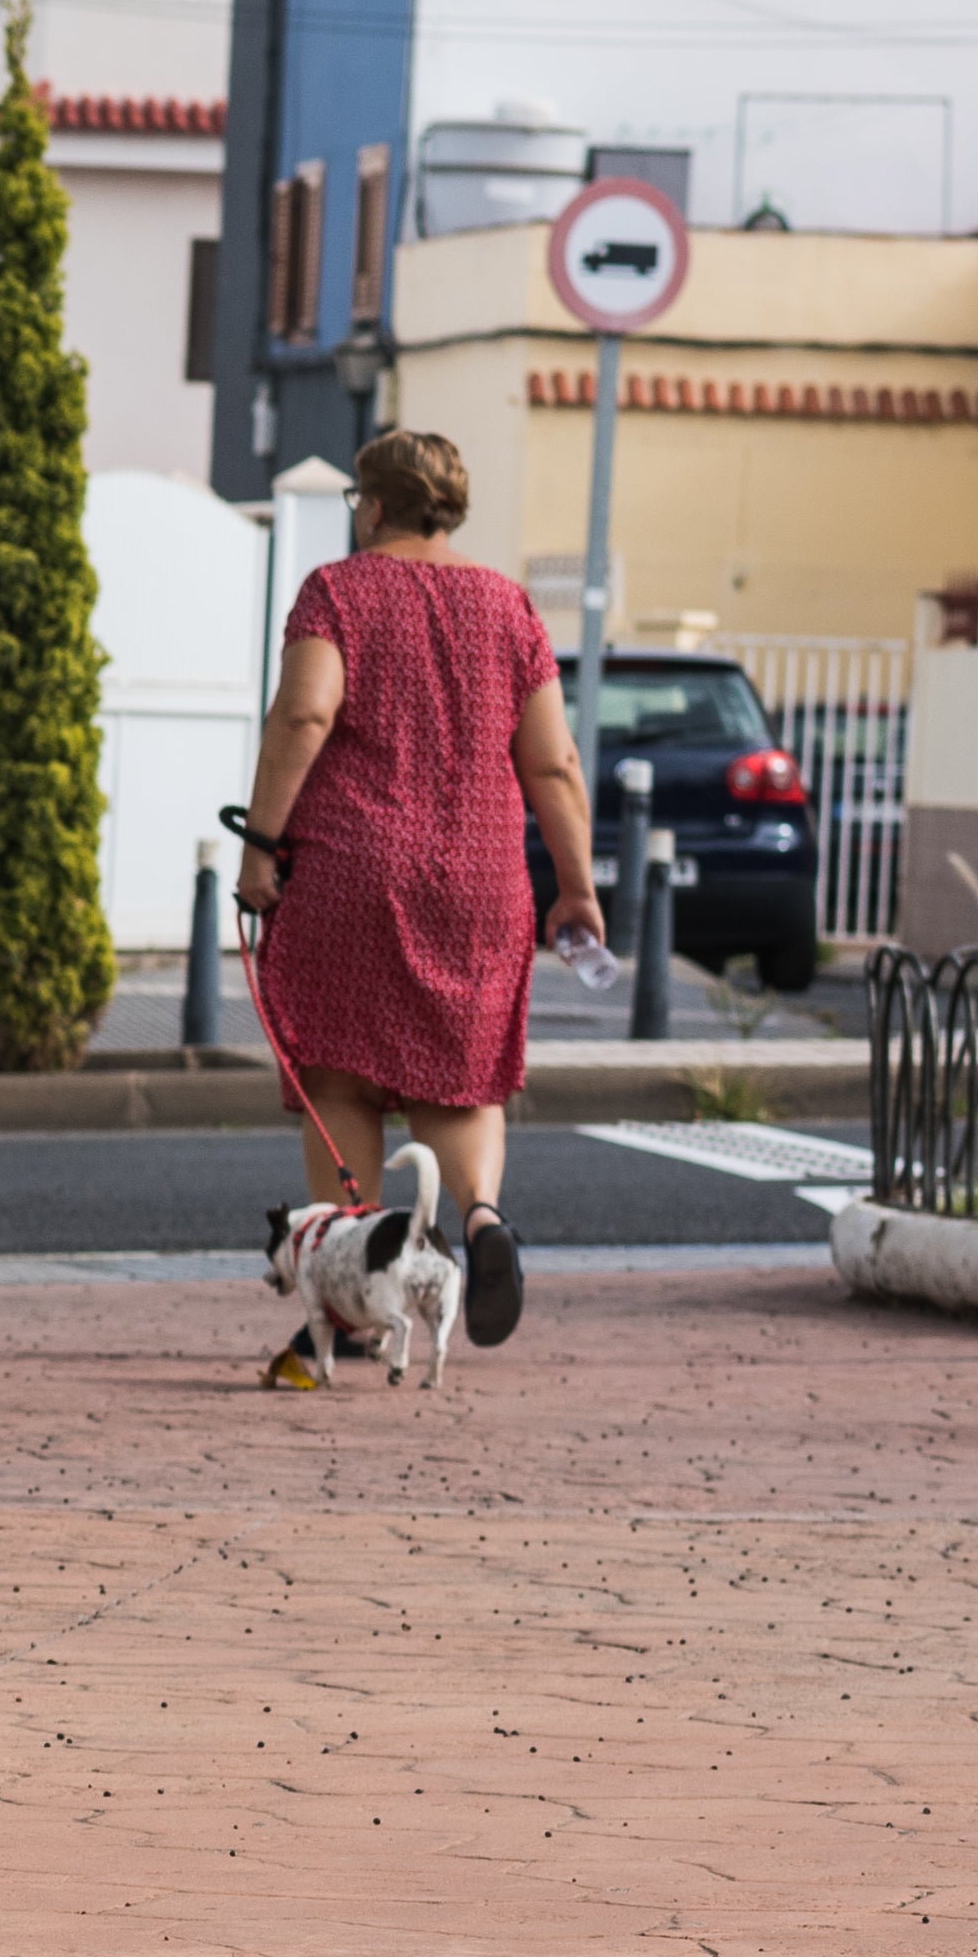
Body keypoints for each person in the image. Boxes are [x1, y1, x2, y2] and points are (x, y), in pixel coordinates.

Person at [229, 427, 602, 1368]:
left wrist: (264, 845)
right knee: (461, 1077)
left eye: (361, 500)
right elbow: (554, 763)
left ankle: (357, 1295)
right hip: (480, 877)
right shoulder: (510, 608)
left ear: (379, 505)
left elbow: (306, 712)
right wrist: (577, 887)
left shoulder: (337, 592)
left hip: (351, 869)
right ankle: (478, 1221)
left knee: (340, 1071)